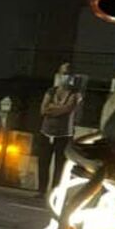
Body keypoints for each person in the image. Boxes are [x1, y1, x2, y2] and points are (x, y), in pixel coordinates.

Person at [37, 63, 82, 196]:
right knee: (43, 162)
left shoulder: (76, 93)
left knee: (60, 165)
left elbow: (68, 109)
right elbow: (42, 110)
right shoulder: (51, 90)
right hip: (46, 132)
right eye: (63, 73)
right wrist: (57, 109)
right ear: (58, 74)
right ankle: (41, 190)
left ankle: (55, 192)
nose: (65, 77)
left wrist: (52, 108)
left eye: (68, 74)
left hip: (64, 134)